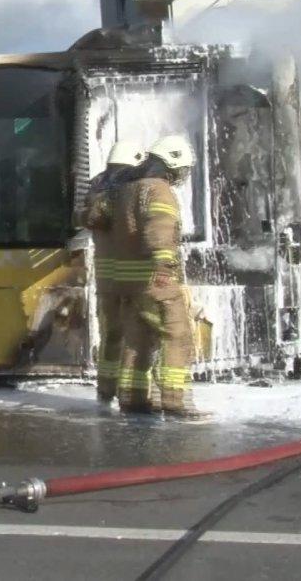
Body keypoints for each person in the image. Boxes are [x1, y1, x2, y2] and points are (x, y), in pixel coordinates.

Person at [113, 135, 203, 418]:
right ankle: (176, 402)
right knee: (177, 335)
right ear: (172, 162)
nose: (181, 175)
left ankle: (132, 398)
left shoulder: (127, 189)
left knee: (137, 340)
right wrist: (164, 265)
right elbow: (160, 228)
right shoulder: (159, 190)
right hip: (156, 280)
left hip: (128, 281)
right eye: (182, 169)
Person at [81, 141, 144, 403]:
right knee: (136, 337)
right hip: (131, 276)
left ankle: (106, 389)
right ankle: (133, 393)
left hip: (105, 277)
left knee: (111, 335)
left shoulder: (95, 189)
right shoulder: (130, 188)